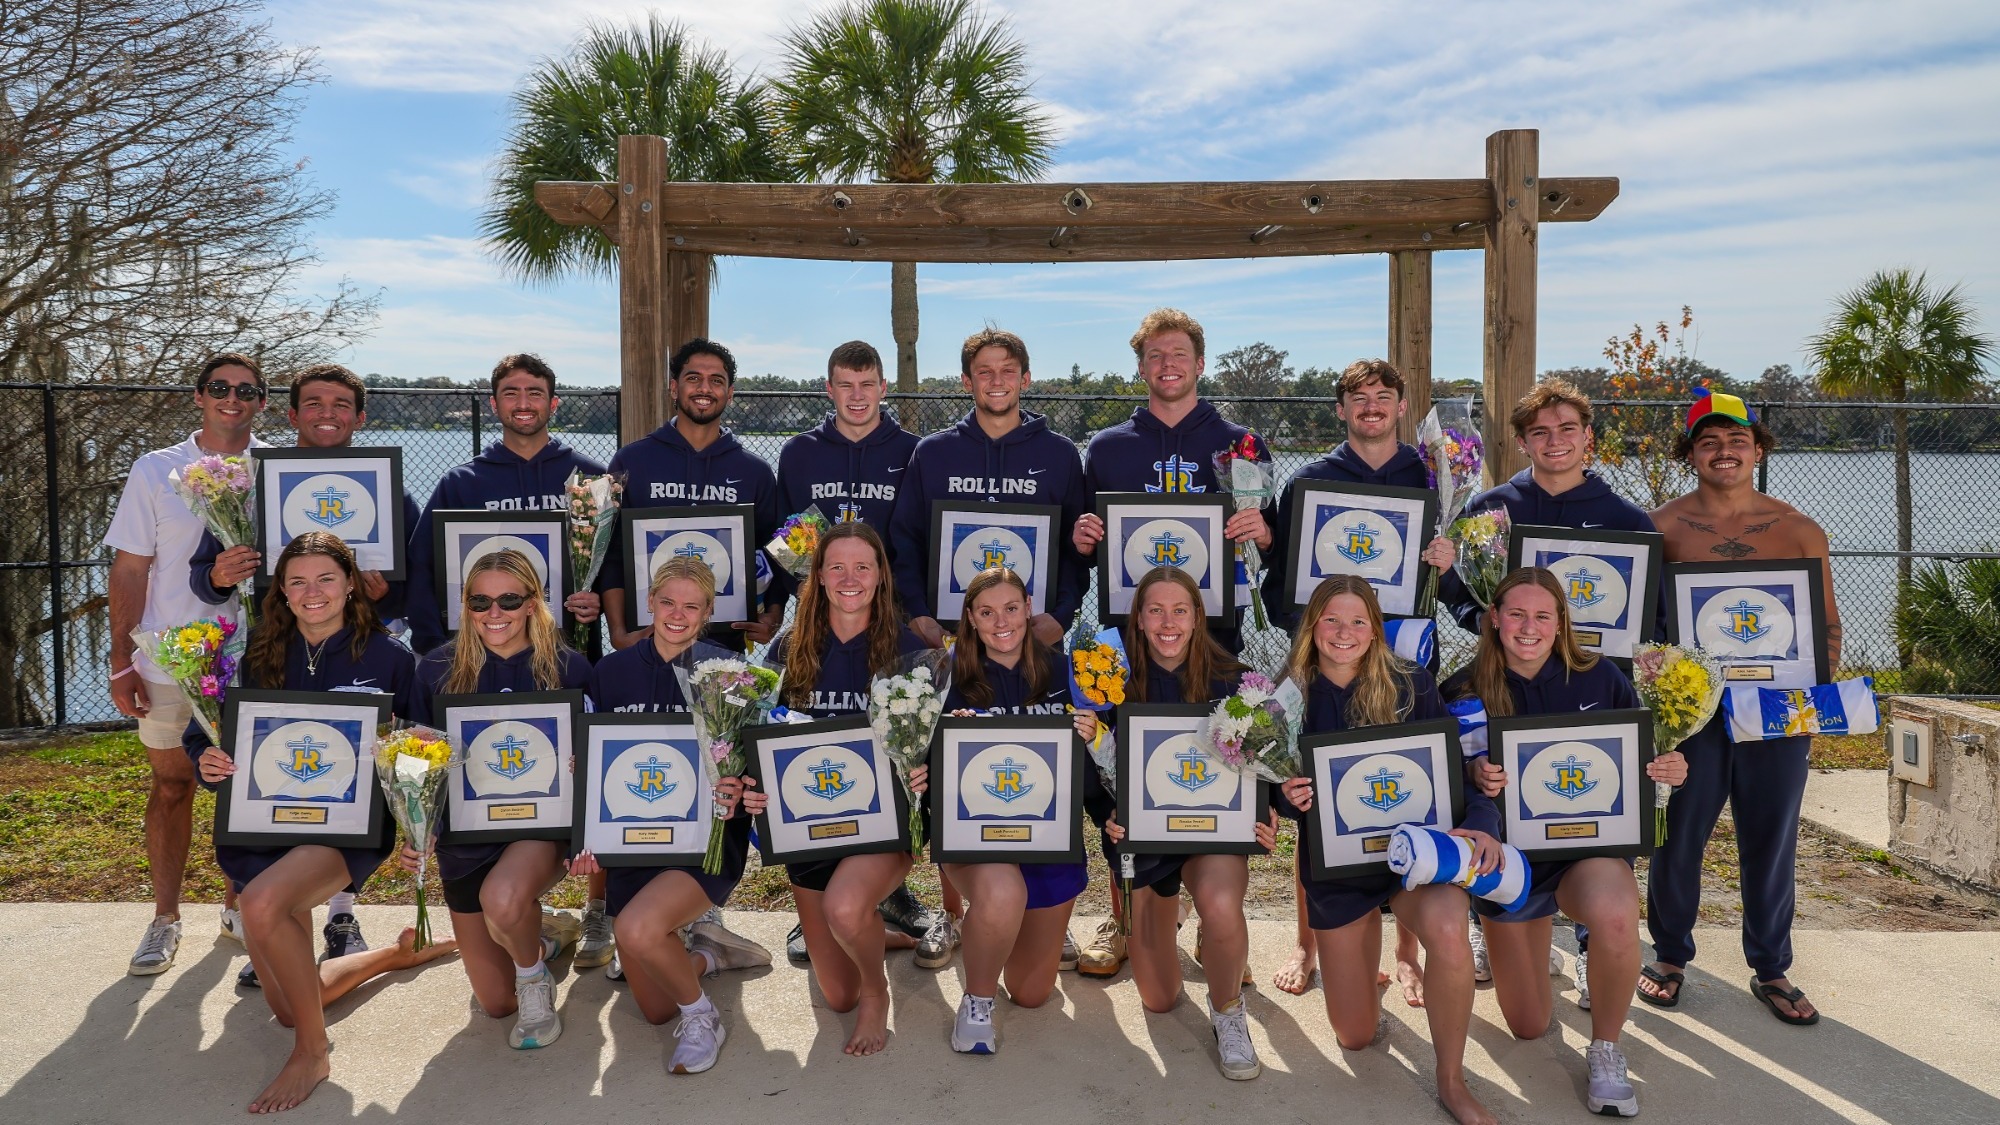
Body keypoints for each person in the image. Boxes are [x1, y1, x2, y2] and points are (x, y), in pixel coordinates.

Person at [186, 532, 455, 1113]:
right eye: (298, 581)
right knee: (286, 1004)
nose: (313, 592)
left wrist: (417, 824)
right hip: (260, 825)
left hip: (346, 828)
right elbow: (204, 731)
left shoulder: (388, 658)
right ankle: (392, 955)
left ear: (351, 584)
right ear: (280, 589)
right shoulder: (253, 654)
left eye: (327, 578)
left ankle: (313, 1052)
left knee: (259, 905)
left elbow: (419, 748)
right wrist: (205, 762)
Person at [188, 362, 423, 976]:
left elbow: (415, 589)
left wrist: (380, 595)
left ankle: (339, 914)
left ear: (360, 417)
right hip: (278, 645)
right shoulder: (254, 486)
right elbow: (205, 573)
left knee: (351, 769)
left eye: (341, 403)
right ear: (290, 415)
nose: (327, 412)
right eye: (313, 402)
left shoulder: (391, 492)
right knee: (272, 773)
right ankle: (272, 920)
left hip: (357, 647)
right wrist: (222, 571)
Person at [1437, 377, 1656, 1002]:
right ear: (1521, 442)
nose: (1554, 442)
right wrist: (1454, 576)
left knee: (1592, 810)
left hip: (1588, 693)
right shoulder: (1491, 510)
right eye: (1540, 432)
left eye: (1567, 430)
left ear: (1588, 438)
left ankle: (1591, 946)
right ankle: (1491, 916)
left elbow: (1648, 622)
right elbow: (1465, 601)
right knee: (1498, 797)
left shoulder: (1626, 520)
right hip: (1509, 684)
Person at [399, 353, 619, 969]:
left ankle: (598, 908)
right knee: (500, 772)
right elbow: (428, 573)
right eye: (510, 392)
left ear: (555, 402)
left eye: (537, 391)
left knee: (575, 765)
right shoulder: (462, 483)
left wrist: (596, 599)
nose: (524, 401)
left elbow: (618, 568)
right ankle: (528, 910)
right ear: (494, 404)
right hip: (483, 660)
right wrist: (435, 654)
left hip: (567, 654)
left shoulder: (589, 479)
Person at [1446, 568, 1688, 1119]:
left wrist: (1669, 767)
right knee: (1529, 1025)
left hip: (1586, 853)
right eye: (1516, 614)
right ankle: (1494, 929)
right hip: (1513, 865)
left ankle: (1606, 1048)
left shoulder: (1601, 678)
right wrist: (1472, 775)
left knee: (1617, 914)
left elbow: (1640, 757)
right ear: (1494, 619)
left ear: (1560, 625)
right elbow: (1442, 784)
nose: (1528, 628)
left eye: (1543, 616)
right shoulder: (1462, 691)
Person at [1641, 390, 1840, 1027]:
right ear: (1691, 452)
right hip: (1692, 713)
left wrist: (1811, 699)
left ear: (1757, 449)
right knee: (1680, 835)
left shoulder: (1800, 528)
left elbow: (1826, 626)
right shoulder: (1660, 527)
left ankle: (1772, 966)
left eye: (1736, 441)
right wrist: (1659, 704)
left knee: (1771, 836)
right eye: (1709, 441)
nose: (1723, 452)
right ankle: (1669, 955)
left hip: (1777, 710)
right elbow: (1643, 626)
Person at [1270, 574, 1499, 1124]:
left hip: (1412, 862)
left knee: (1448, 925)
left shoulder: (1413, 685)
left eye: (1357, 621)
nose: (1343, 633)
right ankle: (1365, 974)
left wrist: (1486, 819)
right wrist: (1283, 796)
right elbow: (1264, 788)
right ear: (1311, 626)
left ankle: (1451, 1079)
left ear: (1375, 630)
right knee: (1354, 1036)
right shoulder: (1284, 696)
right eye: (1331, 620)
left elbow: (1454, 776)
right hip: (1339, 870)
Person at [1260, 358, 1455, 999]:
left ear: (1402, 406)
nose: (1371, 406)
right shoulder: (1310, 481)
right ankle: (1304, 941)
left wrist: (1446, 563)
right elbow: (1283, 585)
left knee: (1401, 787)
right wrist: (1325, 637)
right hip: (1326, 659)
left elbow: (1450, 587)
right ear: (1340, 410)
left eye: (1383, 396)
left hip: (1400, 661)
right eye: (1357, 398)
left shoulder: (1434, 476)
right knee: (1315, 797)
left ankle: (1403, 952)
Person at [773, 340, 937, 967]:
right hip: (823, 617)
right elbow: (791, 541)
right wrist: (811, 607)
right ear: (829, 388)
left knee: (896, 752)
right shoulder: (799, 452)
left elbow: (918, 538)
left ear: (884, 387)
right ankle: (810, 904)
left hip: (890, 620)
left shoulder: (910, 452)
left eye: (867, 384)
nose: (858, 395)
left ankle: (890, 892)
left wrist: (914, 613)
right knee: (817, 744)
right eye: (846, 384)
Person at [107, 352, 269, 975]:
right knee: (173, 785)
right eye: (219, 387)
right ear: (199, 396)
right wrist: (123, 659)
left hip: (253, 660)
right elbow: (130, 567)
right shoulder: (156, 469)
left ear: (261, 400)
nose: (232, 397)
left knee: (246, 792)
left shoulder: (275, 468)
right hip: (172, 657)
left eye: (246, 389)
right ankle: (165, 918)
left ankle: (238, 907)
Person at [580, 554, 770, 1075]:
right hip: (631, 842)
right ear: (650, 603)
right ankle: (709, 954)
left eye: (692, 605)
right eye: (667, 602)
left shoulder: (729, 676)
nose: (678, 614)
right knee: (654, 1009)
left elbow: (755, 763)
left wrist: (741, 783)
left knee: (641, 931)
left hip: (704, 842)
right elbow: (593, 765)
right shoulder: (612, 672)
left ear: (707, 611)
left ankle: (703, 1015)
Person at [745, 523, 929, 1056]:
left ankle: (879, 991)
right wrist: (757, 785)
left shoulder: (909, 647)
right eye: (838, 567)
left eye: (863, 567)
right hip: (810, 825)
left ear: (880, 576)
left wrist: (926, 770)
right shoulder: (790, 646)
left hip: (883, 822)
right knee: (836, 996)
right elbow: (762, 733)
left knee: (846, 912)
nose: (850, 578)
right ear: (819, 576)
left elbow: (937, 736)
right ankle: (879, 934)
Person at [402, 549, 593, 1050]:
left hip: (537, 830)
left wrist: (582, 768)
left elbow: (597, 761)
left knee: (503, 899)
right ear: (465, 604)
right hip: (465, 840)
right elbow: (415, 768)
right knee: (494, 1003)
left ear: (534, 603)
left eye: (509, 599)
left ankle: (534, 977)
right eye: (480, 600)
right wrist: (418, 830)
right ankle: (544, 934)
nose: (494, 613)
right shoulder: (436, 670)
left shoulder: (569, 667)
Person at [910, 566, 1097, 1055]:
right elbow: (912, 756)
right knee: (1001, 891)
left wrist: (1099, 739)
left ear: (1028, 608)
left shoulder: (1067, 671)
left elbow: (1103, 762)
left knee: (1033, 994)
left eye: (1011, 608)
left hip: (1050, 837)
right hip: (977, 836)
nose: (1001, 622)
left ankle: (997, 933)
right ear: (970, 618)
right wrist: (931, 761)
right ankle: (976, 1002)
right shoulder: (943, 676)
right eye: (987, 612)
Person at [1099, 567, 1271, 1080]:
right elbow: (1095, 768)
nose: (1167, 622)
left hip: (1210, 833)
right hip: (1144, 837)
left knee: (1220, 906)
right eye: (1155, 610)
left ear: (1198, 616)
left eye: (1180, 610)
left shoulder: (1235, 680)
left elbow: (1268, 763)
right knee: (1159, 999)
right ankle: (1176, 930)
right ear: (1138, 617)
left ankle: (1229, 1013)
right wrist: (1108, 812)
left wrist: (1269, 809)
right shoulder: (1109, 680)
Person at [887, 327, 1087, 652]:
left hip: (1034, 637)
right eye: (985, 372)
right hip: (947, 636)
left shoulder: (1059, 454)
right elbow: (906, 541)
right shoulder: (933, 453)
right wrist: (918, 614)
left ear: (1025, 379)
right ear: (967, 381)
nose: (997, 381)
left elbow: (1073, 547)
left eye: (1008, 371)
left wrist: (1062, 616)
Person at [601, 338, 784, 654]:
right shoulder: (631, 462)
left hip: (724, 646)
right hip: (647, 642)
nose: (704, 388)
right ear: (674, 388)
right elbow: (611, 554)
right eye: (693, 378)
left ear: (729, 393)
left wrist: (774, 615)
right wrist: (618, 633)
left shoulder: (755, 471)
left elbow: (775, 551)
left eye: (716, 381)